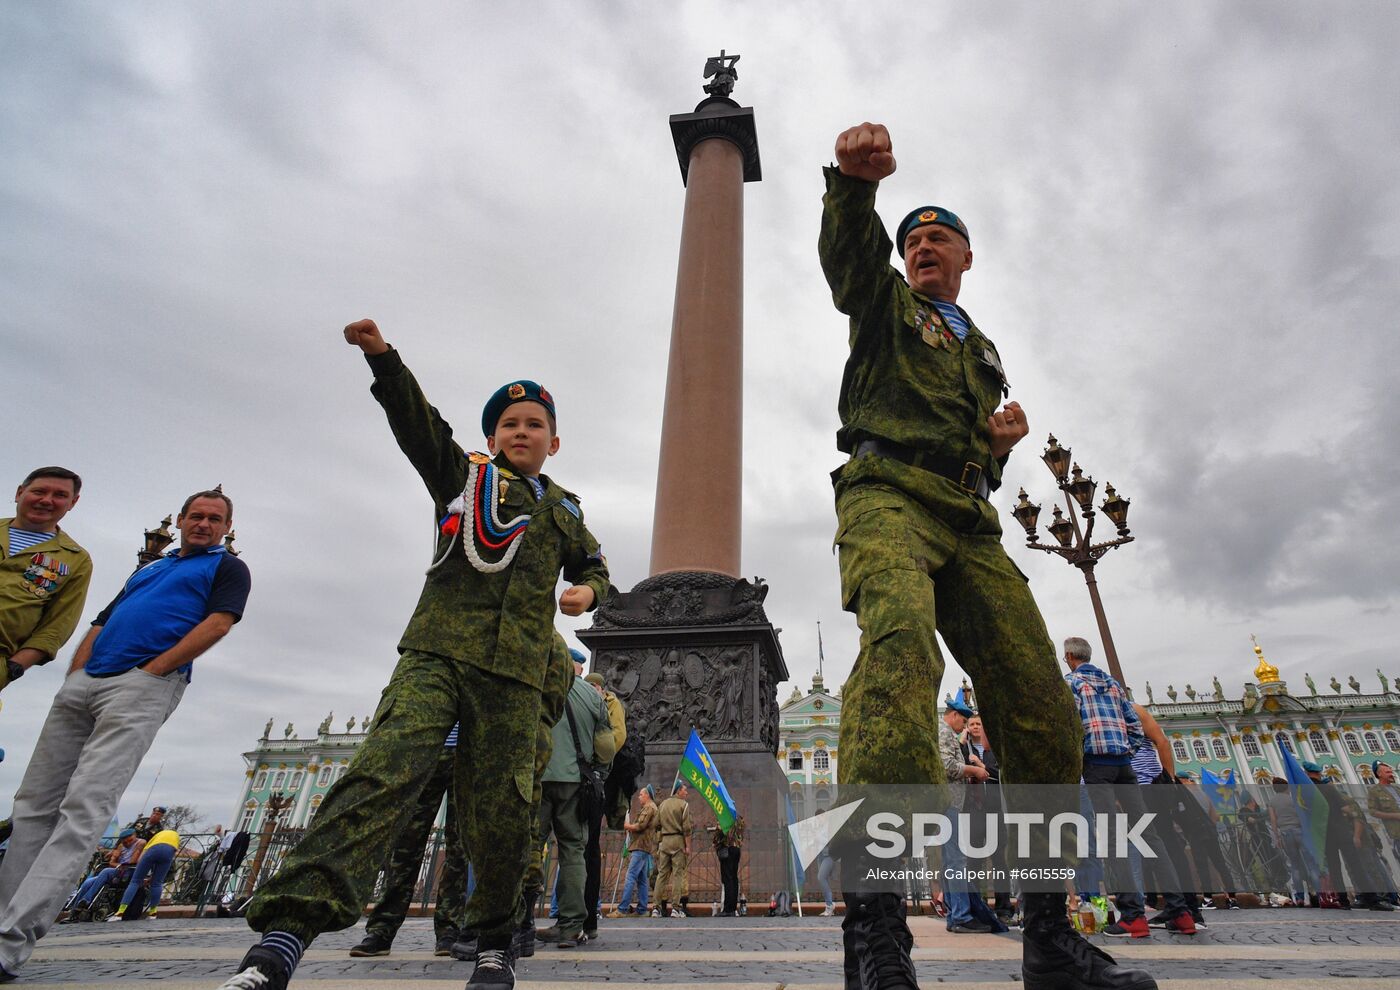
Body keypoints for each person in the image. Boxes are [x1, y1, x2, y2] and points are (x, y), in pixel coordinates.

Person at [820, 122, 1152, 990]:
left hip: (968, 518)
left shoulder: (982, 350)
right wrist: (854, 190)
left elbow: (967, 450)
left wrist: (998, 449)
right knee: (899, 651)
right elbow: (851, 266)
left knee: (1041, 703)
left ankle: (1048, 933)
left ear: (968, 254)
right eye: (913, 238)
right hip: (885, 492)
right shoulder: (888, 304)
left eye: (940, 237)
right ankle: (878, 934)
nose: (923, 246)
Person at [220, 320, 610, 990]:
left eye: (534, 423)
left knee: (504, 811)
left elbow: (597, 567)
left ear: (553, 440)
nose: (521, 432)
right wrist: (383, 359)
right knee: (378, 776)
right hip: (437, 656)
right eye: (509, 424)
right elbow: (415, 423)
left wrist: (587, 592)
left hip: (516, 679)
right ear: (491, 438)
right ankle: (286, 934)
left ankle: (493, 942)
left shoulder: (567, 510)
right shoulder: (463, 480)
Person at [0, 489, 250, 982]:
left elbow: (220, 622)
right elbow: (102, 621)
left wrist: (153, 671)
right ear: (180, 520)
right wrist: (77, 673)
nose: (203, 524)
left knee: (84, 809)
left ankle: (11, 940)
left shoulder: (229, 568)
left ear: (226, 528)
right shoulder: (149, 568)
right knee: (32, 807)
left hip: (141, 686)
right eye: (196, 516)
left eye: (214, 519)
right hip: (85, 686)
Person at [1063, 638, 1195, 939]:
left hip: (1096, 766)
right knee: (1150, 835)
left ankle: (1133, 916)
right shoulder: (1112, 685)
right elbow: (1135, 726)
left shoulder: (1071, 684)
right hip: (1124, 765)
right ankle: (1182, 912)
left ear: (1069, 657)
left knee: (1112, 839)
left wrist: (1081, 757)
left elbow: (1071, 727)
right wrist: (1126, 752)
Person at [348, 723, 469, 958]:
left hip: (468, 755)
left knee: (460, 847)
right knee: (405, 845)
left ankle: (449, 930)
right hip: (426, 751)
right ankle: (382, 929)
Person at [534, 664, 616, 948]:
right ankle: (570, 926)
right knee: (573, 851)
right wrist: (598, 775)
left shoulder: (537, 685)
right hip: (575, 782)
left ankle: (517, 923)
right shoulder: (592, 695)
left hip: (537, 778)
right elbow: (606, 746)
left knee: (529, 848)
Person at [1, 466, 92, 695]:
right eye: (39, 491)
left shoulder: (76, 560)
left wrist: (12, 668)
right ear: (19, 493)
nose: (47, 500)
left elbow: (56, 628)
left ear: (72, 503)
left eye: (60, 495)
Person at [937, 696, 991, 933]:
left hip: (950, 804)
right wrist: (975, 770)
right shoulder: (944, 732)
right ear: (955, 716)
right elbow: (947, 766)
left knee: (951, 861)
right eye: (964, 721)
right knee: (956, 860)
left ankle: (954, 915)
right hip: (949, 803)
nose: (965, 727)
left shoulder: (947, 732)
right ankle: (960, 915)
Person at [581, 670, 624, 940]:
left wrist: (598, 763)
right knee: (575, 846)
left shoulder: (610, 704)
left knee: (587, 847)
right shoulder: (578, 700)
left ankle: (585, 916)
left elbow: (616, 738)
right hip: (572, 776)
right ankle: (571, 913)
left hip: (594, 778)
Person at [963, 714, 1012, 919]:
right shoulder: (964, 750)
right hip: (973, 811)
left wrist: (980, 766)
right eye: (972, 724)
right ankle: (977, 905)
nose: (975, 727)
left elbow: (999, 772)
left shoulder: (993, 750)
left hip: (994, 810)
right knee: (974, 861)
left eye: (979, 724)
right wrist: (962, 742)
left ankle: (1003, 908)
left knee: (1000, 860)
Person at [65, 830, 143, 920]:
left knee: (106, 871)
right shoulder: (121, 846)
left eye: (130, 840)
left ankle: (87, 900)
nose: (128, 843)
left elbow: (133, 861)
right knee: (88, 882)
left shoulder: (140, 843)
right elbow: (111, 862)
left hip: (130, 872)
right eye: (125, 841)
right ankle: (74, 911)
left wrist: (121, 863)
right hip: (118, 872)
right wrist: (118, 864)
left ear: (134, 836)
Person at [109, 826, 180, 920]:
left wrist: (140, 871)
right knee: (157, 883)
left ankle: (120, 913)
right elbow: (173, 852)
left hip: (152, 849)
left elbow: (142, 856)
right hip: (169, 852)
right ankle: (153, 913)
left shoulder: (155, 837)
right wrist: (152, 877)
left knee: (135, 881)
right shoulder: (176, 837)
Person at [609, 784, 658, 918]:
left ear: (647, 795)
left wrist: (627, 826)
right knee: (641, 880)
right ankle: (642, 909)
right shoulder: (650, 807)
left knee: (630, 876)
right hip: (643, 846)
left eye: (641, 794)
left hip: (640, 846)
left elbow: (641, 825)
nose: (639, 797)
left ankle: (622, 909)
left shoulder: (649, 807)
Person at [654, 782, 692, 918]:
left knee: (662, 875)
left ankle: (656, 908)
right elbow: (687, 829)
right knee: (677, 875)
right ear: (678, 791)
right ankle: (675, 908)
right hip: (678, 841)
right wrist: (688, 846)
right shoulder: (684, 805)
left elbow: (655, 824)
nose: (686, 793)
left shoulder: (663, 804)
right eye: (685, 790)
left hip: (664, 841)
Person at [711, 813, 745, 916]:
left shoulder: (725, 816)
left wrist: (715, 842)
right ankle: (733, 907)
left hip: (727, 849)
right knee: (734, 879)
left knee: (727, 879)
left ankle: (728, 909)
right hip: (736, 849)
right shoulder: (739, 818)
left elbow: (720, 833)